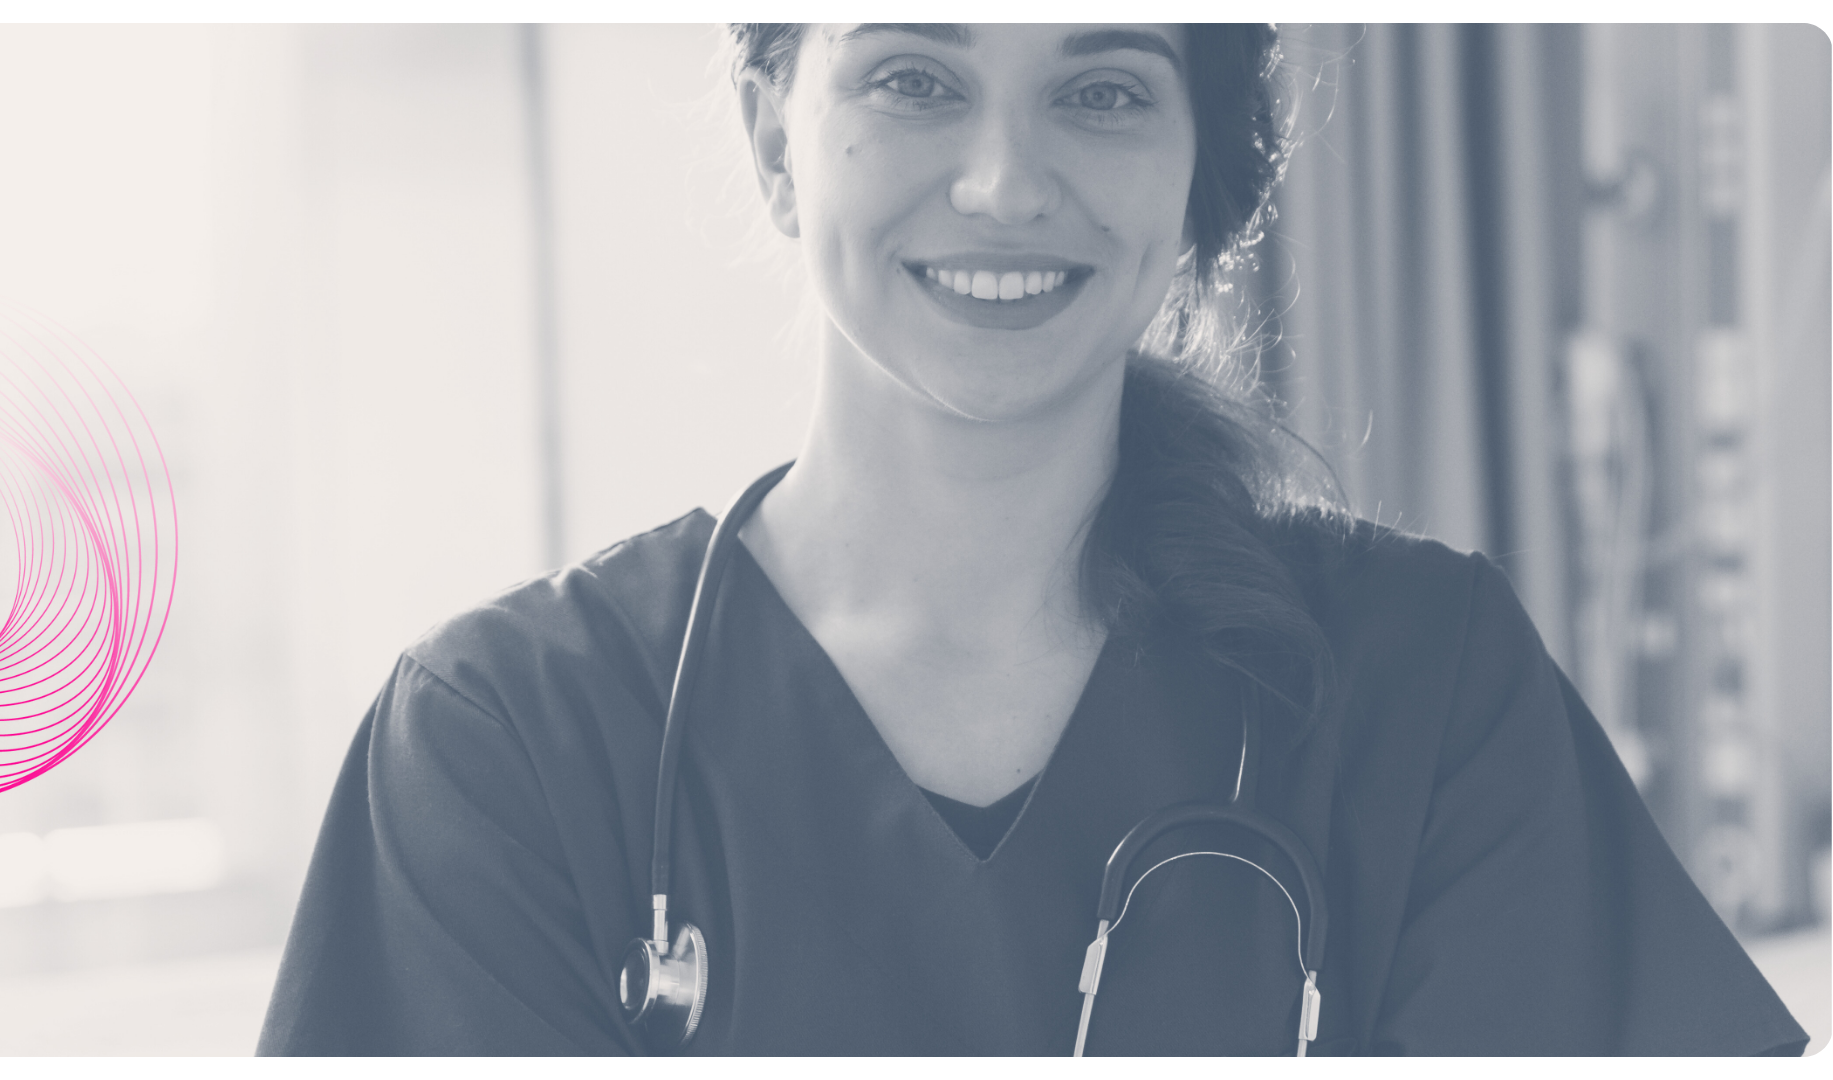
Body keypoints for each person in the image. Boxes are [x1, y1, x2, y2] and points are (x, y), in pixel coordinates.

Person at [257, 24, 1807, 1056]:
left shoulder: (1423, 689)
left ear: (1210, 175)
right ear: (773, 133)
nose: (1005, 181)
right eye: (916, 78)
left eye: (1103, 88)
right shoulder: (507, 744)